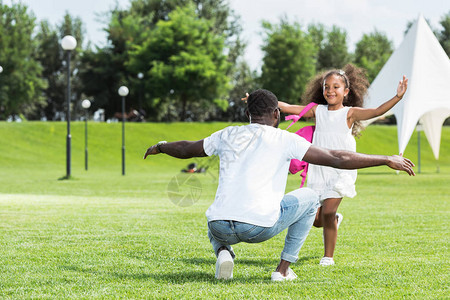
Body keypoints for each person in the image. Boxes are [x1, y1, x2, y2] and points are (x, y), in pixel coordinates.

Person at [144, 89, 415, 281]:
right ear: (276, 114)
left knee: (216, 213)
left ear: (248, 113)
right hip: (257, 227)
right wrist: (385, 158)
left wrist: (161, 146)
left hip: (220, 226)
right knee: (310, 197)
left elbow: (188, 148)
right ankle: (283, 270)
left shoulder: (227, 134)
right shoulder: (285, 139)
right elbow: (336, 157)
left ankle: (223, 252)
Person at [276, 64, 408, 266]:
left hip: (341, 168)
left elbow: (377, 111)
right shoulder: (318, 111)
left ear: (346, 92)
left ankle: (328, 256)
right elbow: (286, 107)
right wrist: (259, 100)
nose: (330, 90)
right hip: (319, 169)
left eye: (335, 87)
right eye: (326, 87)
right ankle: (335, 219)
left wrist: (397, 97)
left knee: (327, 212)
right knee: (316, 219)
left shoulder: (350, 113)